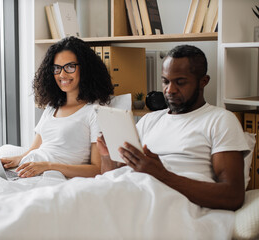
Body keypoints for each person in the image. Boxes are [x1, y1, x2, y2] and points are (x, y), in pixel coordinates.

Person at [97, 45, 250, 211]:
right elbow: (111, 176)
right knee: (76, 195)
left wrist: (161, 175)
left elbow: (233, 196)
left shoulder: (220, 120)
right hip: (129, 190)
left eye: (180, 82)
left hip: (168, 203)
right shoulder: (150, 120)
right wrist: (107, 156)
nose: (170, 90)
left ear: (203, 82)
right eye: (165, 81)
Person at [1, 36, 114, 178]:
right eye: (57, 68)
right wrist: (15, 160)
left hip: (51, 176)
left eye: (70, 67)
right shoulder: (52, 107)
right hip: (29, 171)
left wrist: (48, 166)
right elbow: (34, 149)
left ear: (85, 69)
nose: (62, 74)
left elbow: (97, 169)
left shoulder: (94, 112)